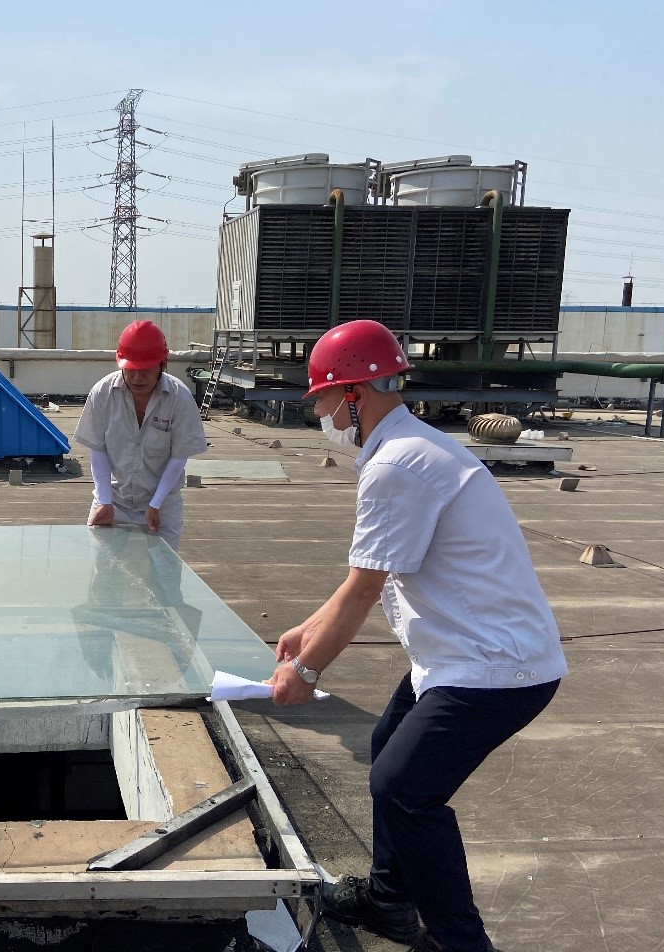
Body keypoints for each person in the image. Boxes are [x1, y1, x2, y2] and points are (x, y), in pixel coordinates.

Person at [267, 319, 567, 952]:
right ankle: (390, 901)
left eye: (323, 398)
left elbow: (363, 590)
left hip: (494, 667)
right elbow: (366, 573)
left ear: (354, 395)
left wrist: (307, 670)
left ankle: (458, 941)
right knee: (388, 746)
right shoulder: (411, 448)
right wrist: (307, 629)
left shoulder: (397, 466)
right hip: (464, 652)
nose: (318, 412)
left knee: (405, 790)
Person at [72, 320, 208, 551]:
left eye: (146, 370)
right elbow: (98, 449)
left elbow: (178, 457)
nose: (137, 378)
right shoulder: (102, 393)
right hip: (114, 498)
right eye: (131, 370)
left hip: (163, 502)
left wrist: (156, 503)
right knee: (103, 567)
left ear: (162, 364)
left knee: (164, 570)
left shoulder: (180, 398)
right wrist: (104, 501)